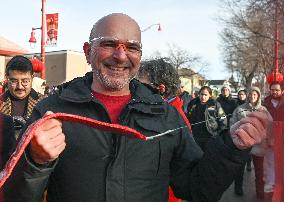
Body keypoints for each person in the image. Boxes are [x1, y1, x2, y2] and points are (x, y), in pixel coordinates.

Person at [5, 13, 271, 202]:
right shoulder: (51, 111)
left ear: (139, 57)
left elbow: (197, 189)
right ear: (88, 52)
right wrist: (35, 162)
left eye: (132, 47)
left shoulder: (165, 114)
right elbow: (13, 195)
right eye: (109, 44)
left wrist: (232, 148)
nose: (121, 55)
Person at [137, 58, 190, 202]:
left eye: (140, 86)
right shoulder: (155, 112)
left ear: (160, 89)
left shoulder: (174, 119)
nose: (135, 89)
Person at [230, 87, 268, 198]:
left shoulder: (263, 110)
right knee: (239, 169)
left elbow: (268, 127)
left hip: (258, 145)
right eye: (250, 94)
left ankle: (260, 192)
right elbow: (232, 124)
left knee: (259, 171)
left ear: (258, 96)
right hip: (243, 145)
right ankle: (238, 188)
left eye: (255, 95)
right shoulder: (239, 109)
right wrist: (236, 138)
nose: (252, 96)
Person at [0, 56, 44, 139]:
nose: (20, 86)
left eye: (25, 81)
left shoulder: (44, 103)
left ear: (32, 77)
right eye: (14, 81)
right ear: (7, 78)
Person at [186, 86, 227, 151]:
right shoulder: (193, 103)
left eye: (205, 95)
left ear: (210, 95)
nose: (203, 97)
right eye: (201, 94)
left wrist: (217, 133)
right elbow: (187, 117)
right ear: (199, 94)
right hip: (195, 135)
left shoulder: (214, 104)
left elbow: (223, 119)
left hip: (210, 135)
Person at [263, 81, 284, 202]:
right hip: (269, 138)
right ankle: (270, 189)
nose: (274, 92)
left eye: (277, 90)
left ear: (282, 91)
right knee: (270, 164)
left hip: (282, 137)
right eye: (272, 90)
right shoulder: (265, 103)